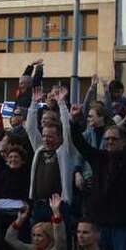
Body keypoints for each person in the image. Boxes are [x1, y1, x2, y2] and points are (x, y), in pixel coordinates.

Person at [69, 104, 126, 250]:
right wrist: (75, 121)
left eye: (114, 139)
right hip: (100, 222)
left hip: (122, 224)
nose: (109, 142)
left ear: (123, 142)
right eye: (107, 139)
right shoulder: (99, 158)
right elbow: (79, 143)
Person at [26, 87, 74, 222]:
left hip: (60, 206)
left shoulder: (65, 150)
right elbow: (30, 129)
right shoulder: (39, 149)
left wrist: (61, 103)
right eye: (44, 136)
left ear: (59, 137)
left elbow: (67, 129)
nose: (46, 139)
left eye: (50, 136)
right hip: (39, 204)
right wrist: (33, 104)